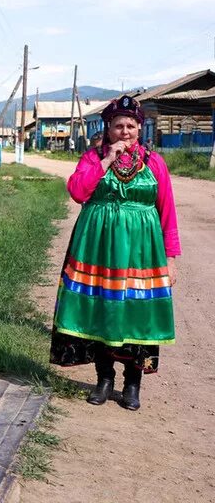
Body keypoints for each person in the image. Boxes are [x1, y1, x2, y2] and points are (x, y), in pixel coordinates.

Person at [51, 95, 180, 412]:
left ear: (140, 128)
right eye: (118, 126)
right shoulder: (93, 158)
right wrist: (107, 160)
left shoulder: (154, 163)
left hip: (142, 252)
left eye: (131, 126)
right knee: (102, 311)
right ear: (107, 129)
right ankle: (104, 379)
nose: (125, 132)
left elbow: (167, 212)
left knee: (138, 314)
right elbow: (78, 191)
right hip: (98, 249)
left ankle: (132, 384)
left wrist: (170, 259)